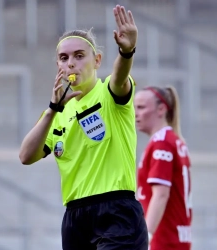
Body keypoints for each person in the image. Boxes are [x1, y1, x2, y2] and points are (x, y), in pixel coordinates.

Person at [19, 4, 148, 250]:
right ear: (58, 64)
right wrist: (51, 110)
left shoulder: (109, 93)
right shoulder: (57, 112)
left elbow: (120, 76)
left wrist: (127, 50)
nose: (71, 64)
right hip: (75, 218)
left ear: (97, 60)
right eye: (64, 58)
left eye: (80, 56)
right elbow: (25, 156)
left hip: (117, 212)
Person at [134, 86, 192, 250]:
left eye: (141, 107)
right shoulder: (175, 140)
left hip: (164, 238)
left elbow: (160, 194)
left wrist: (146, 236)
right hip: (178, 236)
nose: (136, 113)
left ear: (161, 109)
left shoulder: (162, 143)